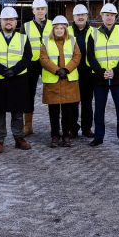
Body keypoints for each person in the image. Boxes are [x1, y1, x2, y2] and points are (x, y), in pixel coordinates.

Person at [0, 7, 33, 153]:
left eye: (11, 19)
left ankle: (19, 138)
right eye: (6, 19)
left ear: (16, 21)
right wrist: (3, 70)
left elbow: (27, 57)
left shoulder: (23, 38)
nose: (9, 22)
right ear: (1, 21)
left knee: (17, 111)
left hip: (18, 79)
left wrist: (14, 70)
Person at [86, 3, 119, 147]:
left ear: (115, 16)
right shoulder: (93, 33)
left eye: (112, 15)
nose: (109, 17)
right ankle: (99, 137)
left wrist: (115, 70)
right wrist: (102, 72)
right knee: (99, 109)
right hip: (100, 78)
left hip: (118, 77)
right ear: (102, 16)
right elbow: (90, 56)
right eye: (107, 15)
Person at [40, 15, 81, 148]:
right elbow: (43, 59)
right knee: (54, 112)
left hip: (68, 81)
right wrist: (57, 70)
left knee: (68, 111)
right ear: (53, 29)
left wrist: (67, 70)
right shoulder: (46, 41)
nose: (59, 30)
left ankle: (66, 136)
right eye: (56, 28)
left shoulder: (72, 41)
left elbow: (77, 56)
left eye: (61, 28)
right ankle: (55, 136)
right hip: (53, 81)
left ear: (65, 29)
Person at [22, 0, 52, 136]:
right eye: (37, 9)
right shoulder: (26, 26)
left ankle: (55, 124)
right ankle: (28, 125)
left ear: (46, 10)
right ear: (33, 10)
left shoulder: (53, 25)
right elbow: (22, 46)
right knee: (28, 93)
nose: (40, 11)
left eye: (42, 9)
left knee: (53, 91)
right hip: (31, 63)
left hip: (49, 62)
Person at [69, 3, 94, 138]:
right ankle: (73, 128)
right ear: (73, 17)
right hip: (71, 71)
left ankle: (86, 128)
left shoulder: (94, 31)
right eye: (78, 15)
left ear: (87, 16)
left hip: (88, 72)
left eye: (82, 15)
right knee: (72, 102)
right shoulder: (67, 31)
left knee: (87, 102)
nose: (80, 17)